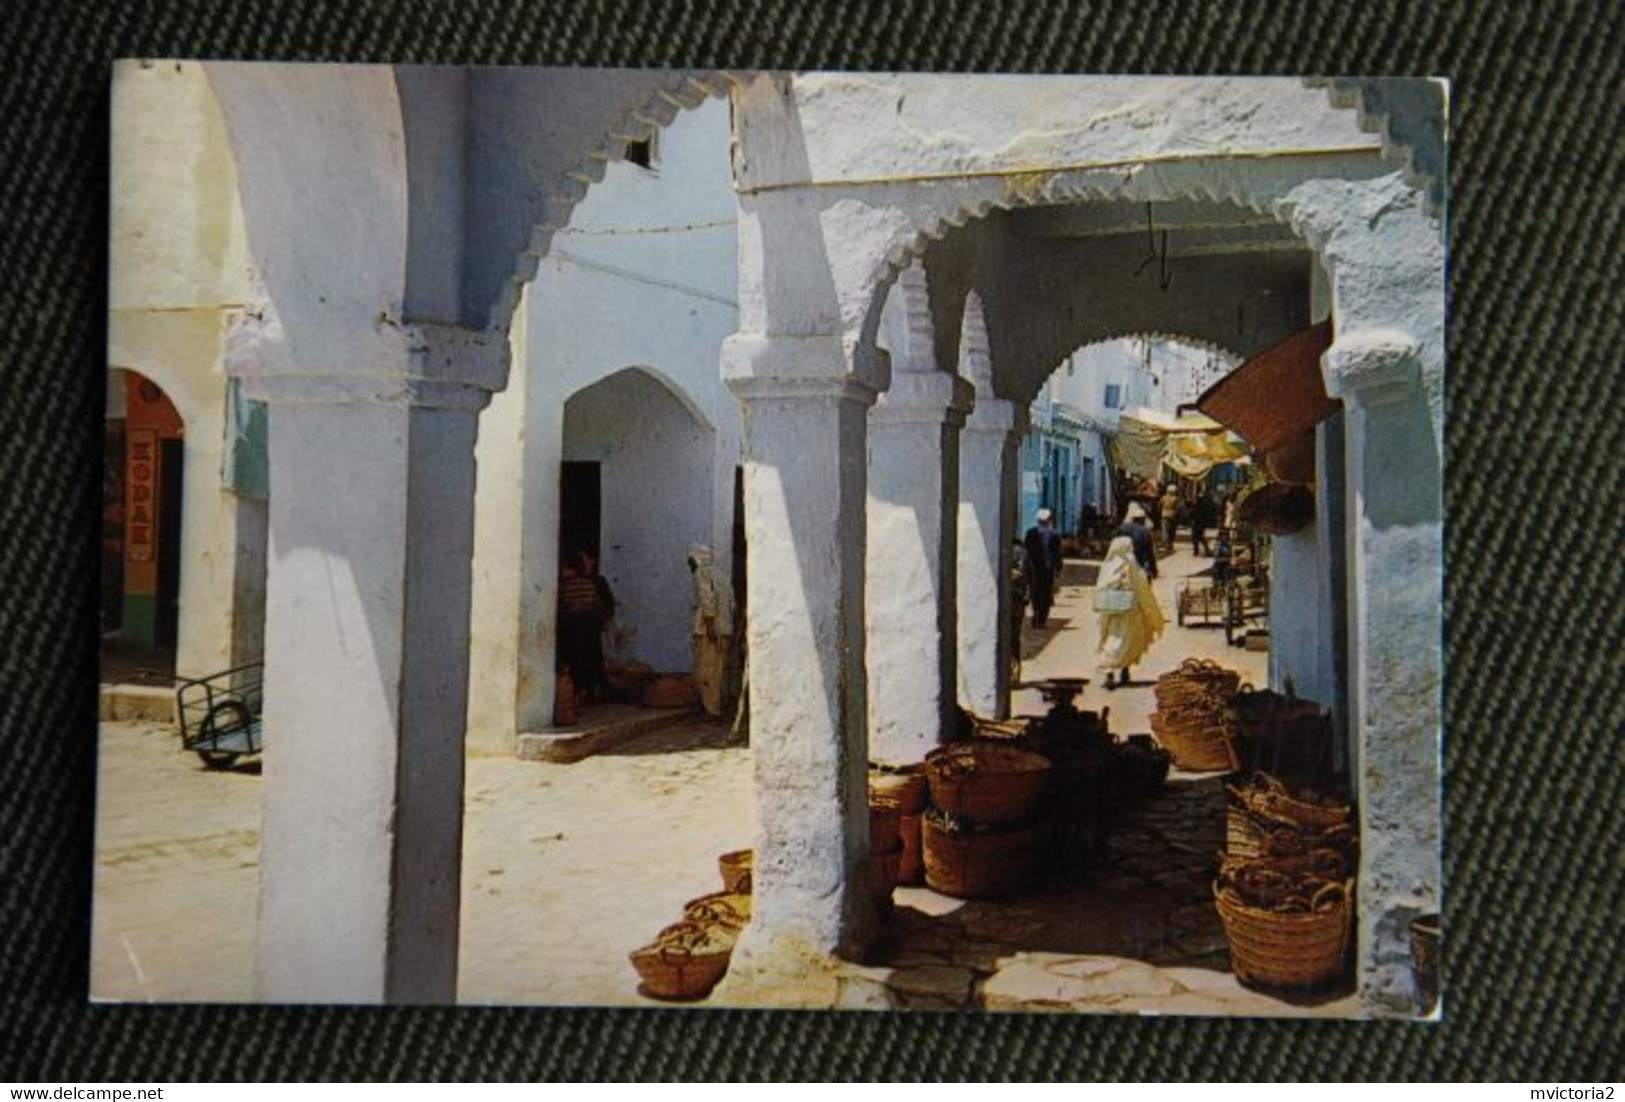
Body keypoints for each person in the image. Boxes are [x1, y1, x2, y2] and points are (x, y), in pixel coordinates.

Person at [1094, 535, 1167, 689]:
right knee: (1128, 640)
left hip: (1111, 609)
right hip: (1129, 609)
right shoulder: (1131, 562)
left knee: (1112, 638)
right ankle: (1124, 670)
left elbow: (1100, 588)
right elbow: (1141, 586)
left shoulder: (1107, 565)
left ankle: (1110, 673)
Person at [556, 548, 611, 707]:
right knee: (591, 660)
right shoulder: (591, 584)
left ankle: (576, 694)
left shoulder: (564, 586)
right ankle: (590, 693)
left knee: (574, 661)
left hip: (571, 627)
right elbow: (597, 605)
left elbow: (561, 606)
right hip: (589, 626)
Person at [687, 543, 733, 720]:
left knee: (706, 672)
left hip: (710, 630)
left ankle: (711, 711)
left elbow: (708, 601)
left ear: (696, 558)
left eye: (690, 560)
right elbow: (731, 603)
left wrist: (710, 627)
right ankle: (714, 707)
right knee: (718, 672)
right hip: (725, 629)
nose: (689, 564)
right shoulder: (722, 575)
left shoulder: (701, 573)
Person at [1022, 507, 1064, 627]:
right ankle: (1042, 619)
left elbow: (1026, 552)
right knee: (1045, 593)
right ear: (1049, 520)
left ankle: (1036, 615)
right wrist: (1059, 568)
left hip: (1033, 569)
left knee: (1034, 592)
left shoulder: (1030, 533)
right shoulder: (1054, 534)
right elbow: (1057, 554)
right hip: (1047, 569)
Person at [1117, 505, 1158, 580]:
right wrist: (1154, 570)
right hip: (1139, 563)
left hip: (1123, 563)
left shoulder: (1122, 528)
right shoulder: (1145, 532)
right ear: (1142, 519)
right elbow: (1150, 553)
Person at [1159, 483, 1181, 548]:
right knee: (1172, 529)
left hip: (1164, 514)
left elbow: (1159, 505)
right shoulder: (1176, 499)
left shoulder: (1163, 497)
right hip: (1173, 515)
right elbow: (1178, 508)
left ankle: (1166, 543)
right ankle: (1170, 543)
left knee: (1165, 529)